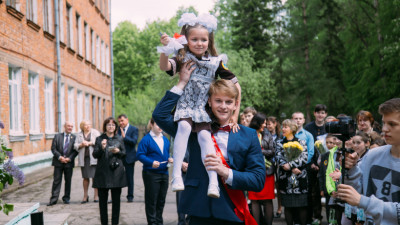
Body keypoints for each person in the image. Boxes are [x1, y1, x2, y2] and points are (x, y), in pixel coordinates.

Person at [152, 67, 265, 224]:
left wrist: (226, 172)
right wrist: (182, 83)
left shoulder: (248, 135)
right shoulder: (193, 128)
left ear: (235, 104)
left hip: (231, 211)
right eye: (218, 101)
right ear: (209, 101)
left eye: (228, 102)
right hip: (198, 210)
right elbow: (160, 115)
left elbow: (258, 180)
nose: (223, 106)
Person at [158, 12, 242, 198]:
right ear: (187, 40)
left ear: (209, 40)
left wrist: (235, 115)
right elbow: (165, 67)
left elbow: (236, 85)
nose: (199, 43)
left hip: (202, 110)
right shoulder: (183, 58)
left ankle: (213, 182)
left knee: (205, 137)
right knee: (184, 128)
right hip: (186, 106)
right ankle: (177, 175)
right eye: (194, 39)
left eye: (203, 39)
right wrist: (165, 49)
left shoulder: (215, 62)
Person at [338, 98, 400, 224]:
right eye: (384, 123)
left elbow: (360, 199)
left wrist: (364, 202)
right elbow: (356, 192)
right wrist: (351, 169)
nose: (384, 129)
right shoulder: (373, 155)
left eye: (392, 124)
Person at [136, 118, 173, 225]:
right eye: (157, 124)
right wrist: (151, 162)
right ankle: (152, 222)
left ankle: (159, 221)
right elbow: (140, 155)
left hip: (164, 173)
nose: (160, 126)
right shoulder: (146, 139)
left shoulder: (165, 139)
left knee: (161, 200)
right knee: (152, 200)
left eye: (162, 124)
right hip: (151, 174)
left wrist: (170, 158)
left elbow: (167, 153)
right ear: (151, 125)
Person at [93, 117, 127, 225]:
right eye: (108, 125)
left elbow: (124, 154)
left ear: (116, 127)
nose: (111, 127)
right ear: (105, 127)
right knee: (102, 204)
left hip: (116, 173)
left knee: (116, 203)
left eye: (113, 125)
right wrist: (102, 147)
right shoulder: (99, 139)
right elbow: (95, 154)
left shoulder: (119, 139)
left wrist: (118, 151)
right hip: (102, 173)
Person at [276, 119, 308, 225]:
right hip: (285, 178)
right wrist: (289, 167)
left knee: (301, 206)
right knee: (288, 206)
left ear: (292, 129)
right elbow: (279, 158)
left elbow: (304, 158)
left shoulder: (301, 142)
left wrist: (291, 165)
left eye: (285, 127)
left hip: (299, 177)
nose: (283, 129)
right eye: (282, 127)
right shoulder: (279, 143)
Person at [292, 112, 320, 224]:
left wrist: (299, 164)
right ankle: (295, 220)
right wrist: (291, 165)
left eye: (300, 118)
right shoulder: (287, 134)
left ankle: (307, 219)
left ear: (304, 120)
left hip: (304, 168)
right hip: (290, 169)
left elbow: (311, 152)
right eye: (295, 118)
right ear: (292, 119)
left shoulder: (308, 135)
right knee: (293, 194)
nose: (298, 121)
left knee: (306, 195)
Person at [248, 113, 275, 225]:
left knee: (268, 200)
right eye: (264, 122)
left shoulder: (267, 135)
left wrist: (259, 151)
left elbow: (272, 151)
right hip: (252, 171)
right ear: (257, 122)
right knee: (254, 199)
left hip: (267, 171)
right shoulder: (248, 133)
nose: (265, 125)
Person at [47, 122, 77, 206]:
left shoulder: (74, 137)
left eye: (71, 126)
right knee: (56, 181)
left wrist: (69, 158)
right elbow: (53, 148)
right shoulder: (57, 136)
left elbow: (76, 150)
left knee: (68, 181)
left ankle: (66, 198)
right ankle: (54, 199)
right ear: (64, 127)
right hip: (58, 162)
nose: (70, 127)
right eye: (68, 126)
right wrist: (60, 157)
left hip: (69, 163)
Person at [318, 134, 343, 224]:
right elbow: (322, 173)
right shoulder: (325, 155)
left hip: (341, 189)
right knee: (330, 213)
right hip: (329, 189)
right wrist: (323, 188)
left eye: (331, 142)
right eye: (327, 142)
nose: (329, 144)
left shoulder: (342, 153)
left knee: (340, 214)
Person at [74, 120, 101, 203]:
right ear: (82, 126)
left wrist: (89, 143)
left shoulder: (95, 132)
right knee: (85, 178)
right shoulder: (79, 134)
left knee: (95, 177)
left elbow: (99, 142)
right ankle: (85, 196)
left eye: (89, 124)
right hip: (84, 159)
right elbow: (75, 145)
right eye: (86, 125)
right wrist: (81, 145)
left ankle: (96, 196)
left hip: (94, 158)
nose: (88, 126)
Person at [117, 114, 139, 202]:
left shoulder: (134, 129)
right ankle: (116, 196)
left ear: (127, 119)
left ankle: (130, 196)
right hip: (119, 156)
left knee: (130, 178)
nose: (121, 123)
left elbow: (134, 141)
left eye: (122, 121)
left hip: (129, 157)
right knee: (117, 177)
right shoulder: (117, 130)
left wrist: (124, 137)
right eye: (119, 121)